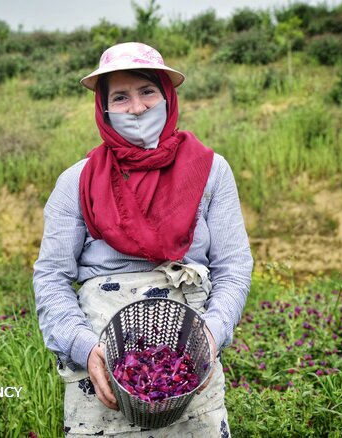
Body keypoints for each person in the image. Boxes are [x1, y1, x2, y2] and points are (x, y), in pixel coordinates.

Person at [33, 42, 253, 437]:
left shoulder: (210, 171)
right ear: (103, 108)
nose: (137, 108)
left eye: (147, 91)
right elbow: (50, 277)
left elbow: (233, 267)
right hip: (101, 359)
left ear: (167, 96)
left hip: (190, 356)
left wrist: (211, 334)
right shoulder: (76, 182)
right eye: (120, 97)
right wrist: (85, 348)